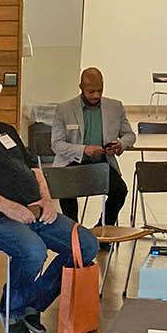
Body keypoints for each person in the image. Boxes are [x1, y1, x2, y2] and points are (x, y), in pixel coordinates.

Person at [0, 64, 100, 333]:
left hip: (35, 211)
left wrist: (48, 200)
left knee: (85, 245)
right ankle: (12, 309)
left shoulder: (6, 130)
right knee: (33, 250)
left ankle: (31, 305)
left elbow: (33, 168)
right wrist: (7, 206)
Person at [49, 67, 137, 232]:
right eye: (91, 91)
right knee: (66, 193)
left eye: (99, 90)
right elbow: (57, 144)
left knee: (120, 190)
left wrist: (121, 144)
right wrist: (84, 150)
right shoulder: (65, 109)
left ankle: (102, 230)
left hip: (102, 163)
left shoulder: (115, 107)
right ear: (81, 87)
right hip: (72, 162)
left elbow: (130, 135)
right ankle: (74, 234)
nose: (96, 95)